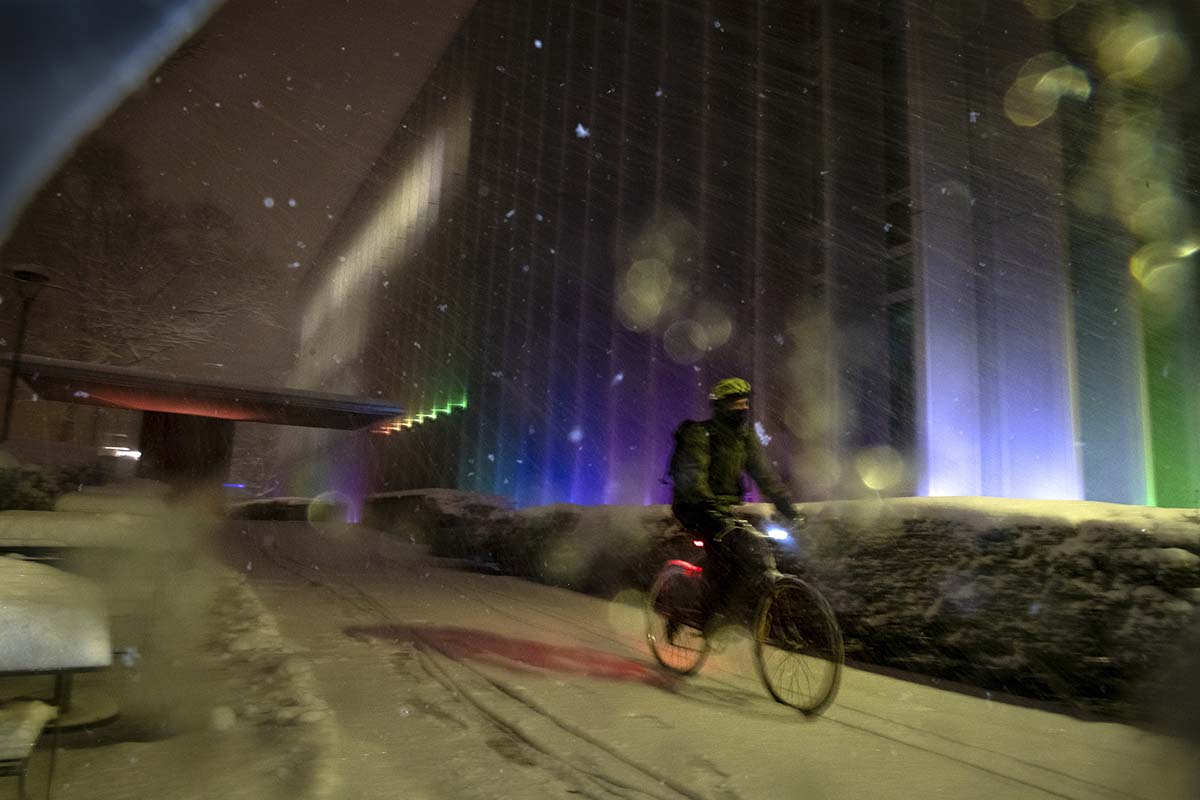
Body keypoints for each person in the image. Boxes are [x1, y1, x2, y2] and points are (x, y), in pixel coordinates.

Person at [668, 377, 801, 631]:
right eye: (735, 403)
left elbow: (765, 477)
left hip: (723, 509)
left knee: (746, 559)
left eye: (745, 403)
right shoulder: (700, 433)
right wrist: (709, 503)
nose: (742, 408)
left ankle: (724, 612)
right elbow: (693, 475)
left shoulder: (744, 439)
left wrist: (789, 510)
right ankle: (708, 617)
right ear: (720, 406)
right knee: (725, 557)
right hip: (694, 506)